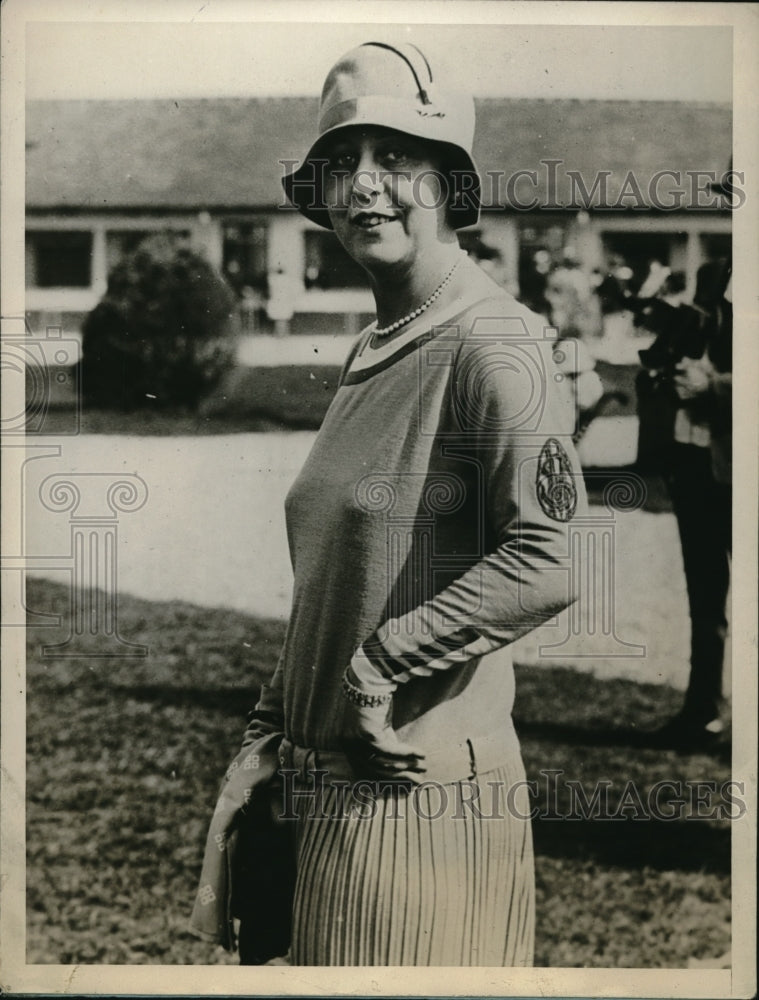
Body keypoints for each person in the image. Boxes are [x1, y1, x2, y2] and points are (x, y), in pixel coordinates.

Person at [192, 40, 586, 967]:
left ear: (448, 182)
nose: (363, 183)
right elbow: (338, 580)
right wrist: (271, 731)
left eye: (397, 155)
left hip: (413, 798)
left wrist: (379, 665)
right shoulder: (376, 344)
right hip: (322, 792)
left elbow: (551, 556)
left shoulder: (496, 342)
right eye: (340, 162)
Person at [636, 261, 732, 748]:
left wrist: (712, 387)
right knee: (705, 599)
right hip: (697, 463)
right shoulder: (714, 275)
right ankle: (703, 711)